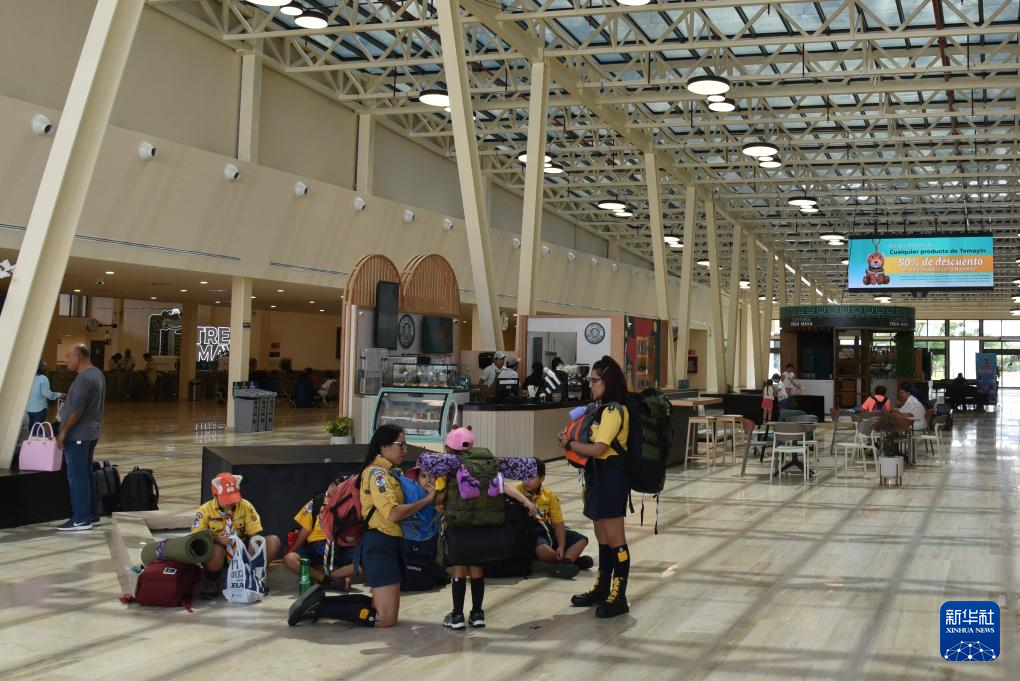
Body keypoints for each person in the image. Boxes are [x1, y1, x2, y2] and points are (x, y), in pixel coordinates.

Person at [288, 425, 436, 628]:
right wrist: (428, 499)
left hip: (387, 543)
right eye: (400, 444)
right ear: (383, 447)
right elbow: (392, 513)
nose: (404, 450)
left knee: (382, 609)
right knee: (385, 619)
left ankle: (320, 603)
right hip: (380, 544)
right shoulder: (377, 475)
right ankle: (317, 608)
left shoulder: (390, 473)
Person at [437, 427, 535, 630]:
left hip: (460, 524)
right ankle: (477, 614)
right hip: (484, 524)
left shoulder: (449, 466)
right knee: (477, 568)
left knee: (459, 567)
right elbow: (504, 486)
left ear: (449, 448)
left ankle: (457, 615)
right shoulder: (488, 463)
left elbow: (440, 497)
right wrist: (526, 501)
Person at [557, 355, 632, 618]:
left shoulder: (613, 411)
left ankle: (619, 595)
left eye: (595, 380)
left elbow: (600, 448)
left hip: (612, 476)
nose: (590, 384)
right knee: (602, 536)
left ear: (608, 382)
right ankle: (602, 588)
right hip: (597, 476)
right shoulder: (598, 409)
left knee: (615, 538)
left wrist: (569, 444)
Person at [192, 472, 281, 598]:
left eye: (232, 498)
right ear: (215, 495)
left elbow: (255, 534)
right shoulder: (205, 510)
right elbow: (197, 537)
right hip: (221, 551)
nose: (230, 503)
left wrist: (248, 557)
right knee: (216, 552)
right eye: (226, 499)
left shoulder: (245, 505)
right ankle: (212, 581)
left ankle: (253, 577)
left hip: (242, 548)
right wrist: (216, 539)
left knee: (272, 542)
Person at [55, 345, 106, 532]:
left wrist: (63, 431)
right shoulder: (97, 374)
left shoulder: (84, 378)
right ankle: (91, 515)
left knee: (77, 476)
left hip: (79, 435)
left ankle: (81, 519)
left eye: (68, 356)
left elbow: (77, 410)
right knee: (86, 474)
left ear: (79, 357)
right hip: (90, 433)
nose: (66, 360)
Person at [520, 459, 592, 579]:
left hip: (547, 531)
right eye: (523, 476)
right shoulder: (516, 491)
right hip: (532, 533)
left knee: (581, 540)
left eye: (531, 477)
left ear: (542, 478)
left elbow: (558, 524)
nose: (526, 480)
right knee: (541, 549)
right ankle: (569, 562)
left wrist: (561, 546)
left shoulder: (549, 495)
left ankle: (565, 563)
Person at [282, 478, 355, 591]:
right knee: (289, 559)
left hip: (339, 547)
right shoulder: (317, 501)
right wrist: (292, 550)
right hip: (315, 547)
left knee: (365, 560)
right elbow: (305, 530)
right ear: (331, 485)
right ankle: (327, 581)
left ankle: (334, 578)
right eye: (335, 485)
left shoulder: (350, 504)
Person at [26, 360, 62, 432]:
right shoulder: (43, 378)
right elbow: (47, 394)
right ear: (41, 368)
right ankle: (38, 439)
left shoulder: (28, 378)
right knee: (39, 430)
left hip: (28, 409)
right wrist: (59, 394)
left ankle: (31, 439)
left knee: (31, 428)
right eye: (43, 366)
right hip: (39, 409)